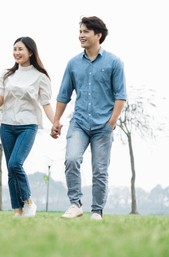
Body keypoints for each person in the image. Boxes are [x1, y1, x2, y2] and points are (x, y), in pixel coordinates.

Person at [50, 16, 126, 221]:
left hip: (104, 126)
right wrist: (56, 121)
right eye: (80, 31)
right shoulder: (73, 63)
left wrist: (111, 122)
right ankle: (75, 204)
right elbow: (63, 95)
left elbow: (121, 96)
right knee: (71, 159)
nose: (81, 35)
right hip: (80, 123)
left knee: (100, 171)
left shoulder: (114, 62)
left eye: (86, 32)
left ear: (98, 35)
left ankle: (97, 211)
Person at [0, 36, 55, 218]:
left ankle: (28, 201)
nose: (17, 52)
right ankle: (17, 211)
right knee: (11, 170)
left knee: (15, 163)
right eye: (15, 49)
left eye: (20, 49)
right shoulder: (6, 74)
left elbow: (46, 104)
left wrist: (55, 122)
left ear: (30, 52)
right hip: (7, 125)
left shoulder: (40, 77)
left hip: (28, 125)